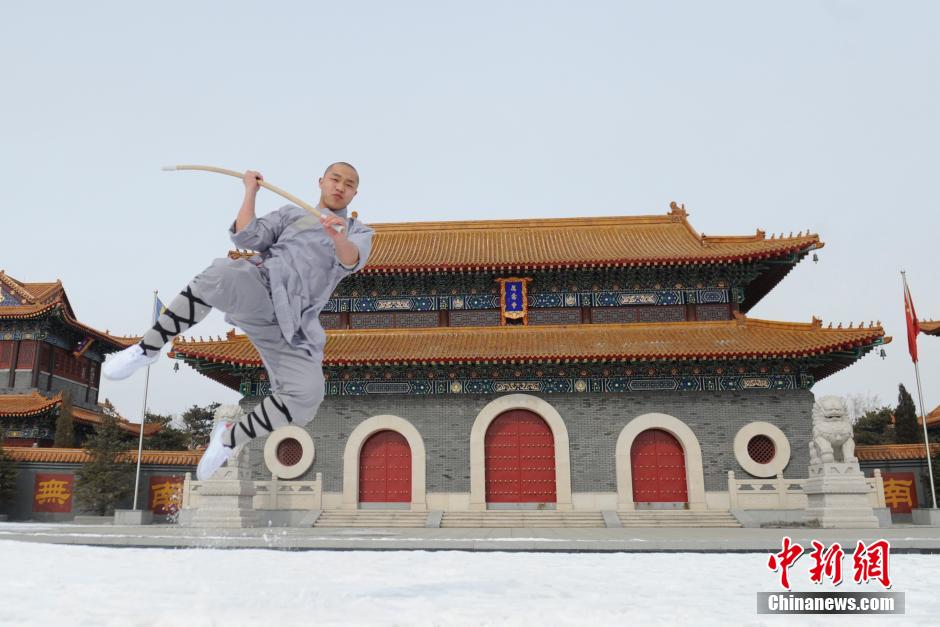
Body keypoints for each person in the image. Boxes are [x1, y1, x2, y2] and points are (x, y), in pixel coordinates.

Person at [103, 162, 373, 480]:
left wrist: (337, 236)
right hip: (262, 286)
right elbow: (247, 236)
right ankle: (147, 348)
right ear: (321, 182)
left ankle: (230, 437)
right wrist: (250, 192)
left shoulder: (358, 232)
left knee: (306, 395)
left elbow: (350, 259)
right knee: (219, 274)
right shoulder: (291, 214)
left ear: (355, 193)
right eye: (335, 179)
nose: (340, 186)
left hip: (294, 323)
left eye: (349, 184)